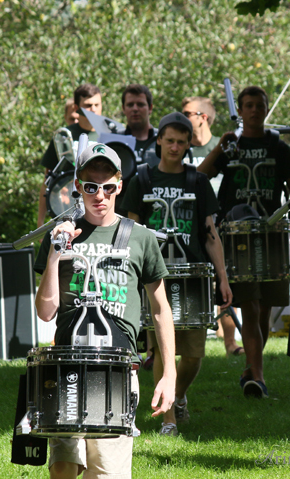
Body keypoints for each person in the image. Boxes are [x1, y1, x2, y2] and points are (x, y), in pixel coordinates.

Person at [34, 143, 176, 479]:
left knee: (107, 473)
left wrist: (169, 373)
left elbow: (160, 310)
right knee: (64, 467)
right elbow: (45, 311)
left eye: (108, 187)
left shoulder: (140, 238)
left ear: (119, 186)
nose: (100, 195)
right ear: (78, 187)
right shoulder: (60, 235)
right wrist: (55, 252)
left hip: (118, 368)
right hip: (68, 366)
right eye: (91, 187)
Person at [121, 112, 232, 436]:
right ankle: (168, 418)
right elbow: (130, 231)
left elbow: (210, 233)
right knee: (160, 350)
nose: (174, 147)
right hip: (155, 276)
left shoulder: (198, 182)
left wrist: (223, 277)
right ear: (158, 140)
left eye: (181, 142)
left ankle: (178, 394)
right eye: (169, 140)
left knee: (194, 355)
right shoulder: (142, 179)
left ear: (187, 145)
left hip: (193, 276)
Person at [198, 85, 290, 398]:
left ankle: (251, 369)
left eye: (260, 105)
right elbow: (199, 179)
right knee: (252, 307)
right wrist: (218, 148)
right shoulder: (231, 147)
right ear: (240, 111)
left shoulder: (279, 149)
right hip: (236, 236)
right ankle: (258, 377)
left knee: (265, 308)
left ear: (266, 109)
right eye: (249, 105)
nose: (255, 110)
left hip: (271, 234)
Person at [181, 96, 240, 355]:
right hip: (187, 223)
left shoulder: (222, 146)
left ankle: (230, 342)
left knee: (225, 279)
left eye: (188, 113)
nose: (183, 117)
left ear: (203, 117)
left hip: (218, 222)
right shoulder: (180, 147)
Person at [38, 83, 103, 227]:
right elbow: (47, 181)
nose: (93, 109)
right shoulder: (62, 137)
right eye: (88, 105)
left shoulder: (110, 135)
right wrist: (40, 222)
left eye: (97, 105)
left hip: (102, 212)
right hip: (68, 214)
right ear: (76, 108)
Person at [120, 84, 157, 163]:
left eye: (140, 104)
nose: (135, 109)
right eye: (130, 105)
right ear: (123, 108)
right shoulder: (115, 141)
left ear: (150, 108)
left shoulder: (163, 141)